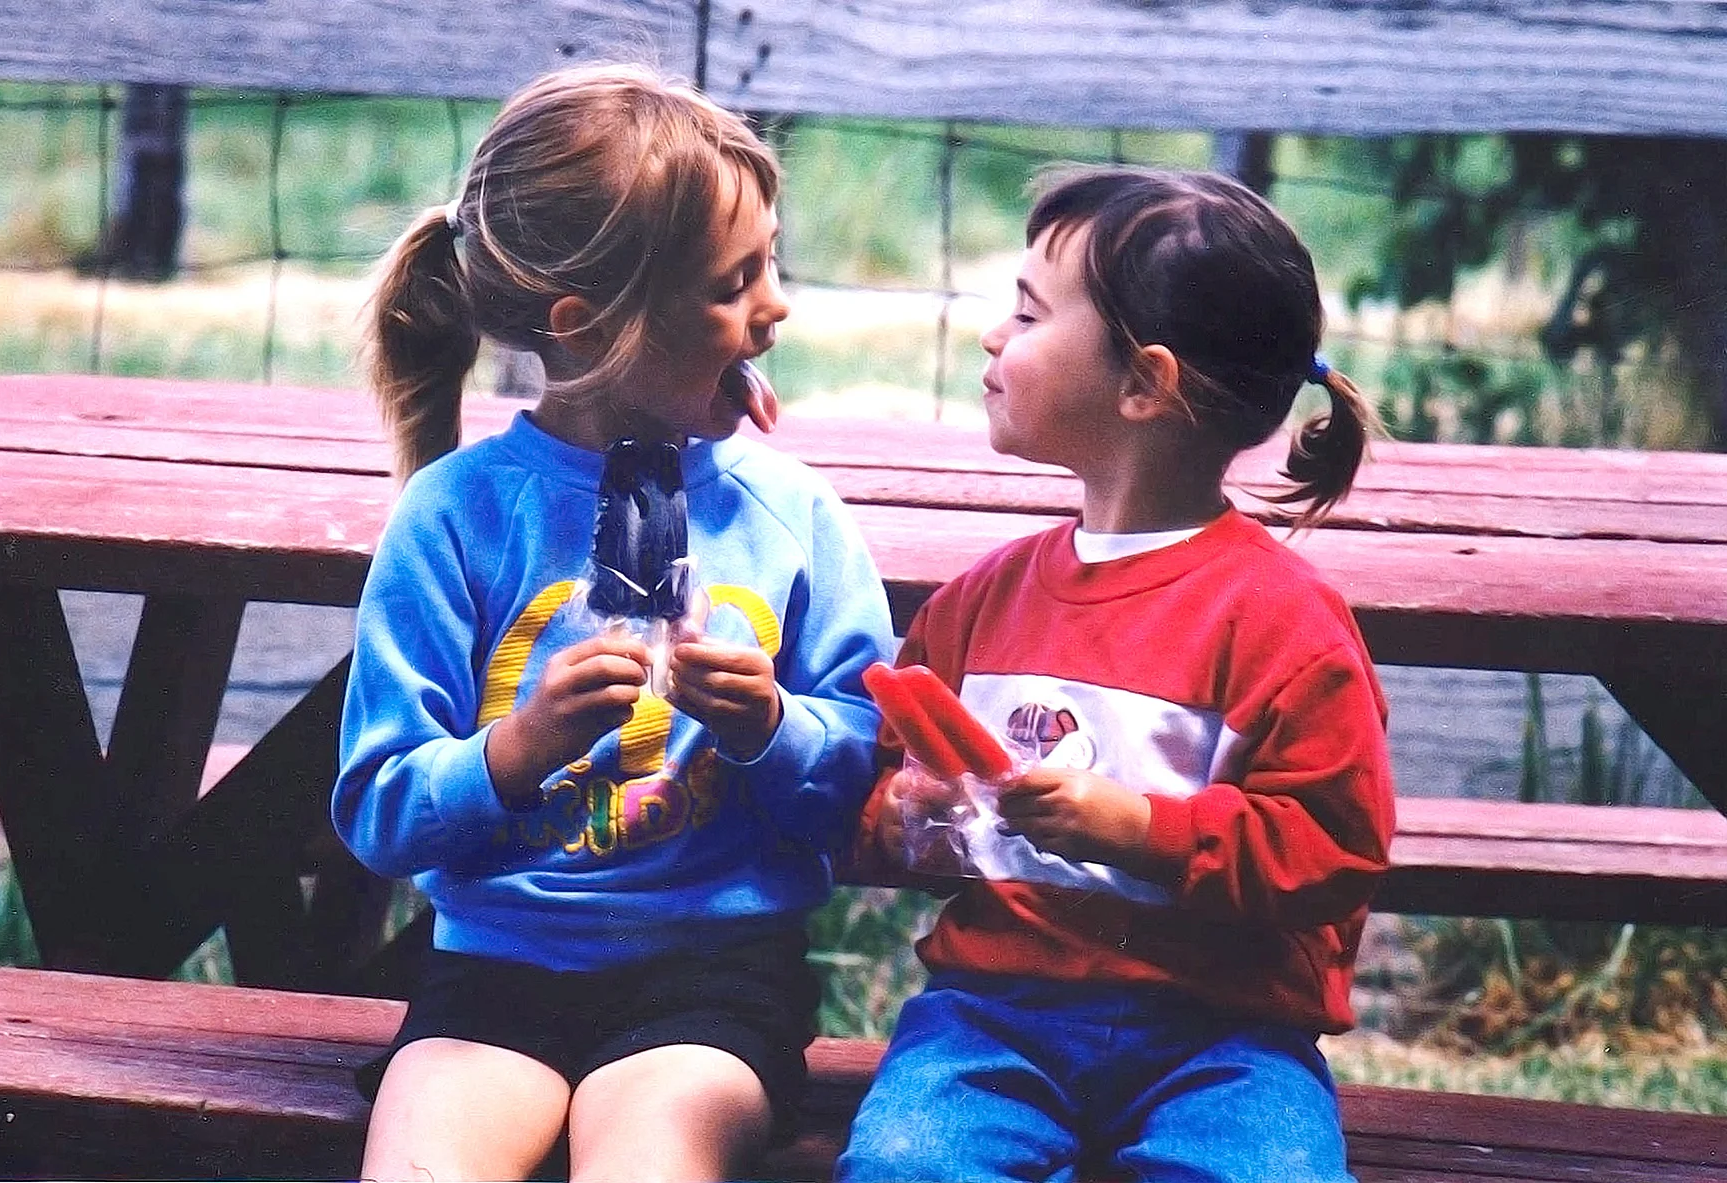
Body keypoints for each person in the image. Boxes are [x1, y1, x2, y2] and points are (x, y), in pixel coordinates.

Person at [332, 63, 895, 1183]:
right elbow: (376, 810)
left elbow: (863, 787)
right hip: (492, 967)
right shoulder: (455, 515)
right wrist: (515, 748)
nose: (774, 306)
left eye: (769, 261)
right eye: (734, 283)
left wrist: (769, 725)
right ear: (589, 324)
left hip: (714, 972)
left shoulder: (791, 516)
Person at [836, 166, 1397, 1183]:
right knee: (907, 1163)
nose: (991, 337)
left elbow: (1335, 847)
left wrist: (1138, 829)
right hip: (991, 1019)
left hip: (1227, 1038)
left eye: (1026, 312)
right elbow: (883, 790)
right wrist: (908, 813)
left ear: (1144, 383)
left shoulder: (1282, 623)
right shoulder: (981, 603)